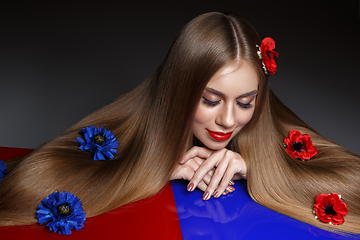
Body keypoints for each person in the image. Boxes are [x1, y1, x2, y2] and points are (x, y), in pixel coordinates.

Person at [0, 12, 359, 235]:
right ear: (180, 90)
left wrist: (256, 165)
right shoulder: (126, 129)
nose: (229, 120)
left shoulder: (276, 136)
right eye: (210, 100)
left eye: (246, 102)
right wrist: (153, 167)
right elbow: (25, 187)